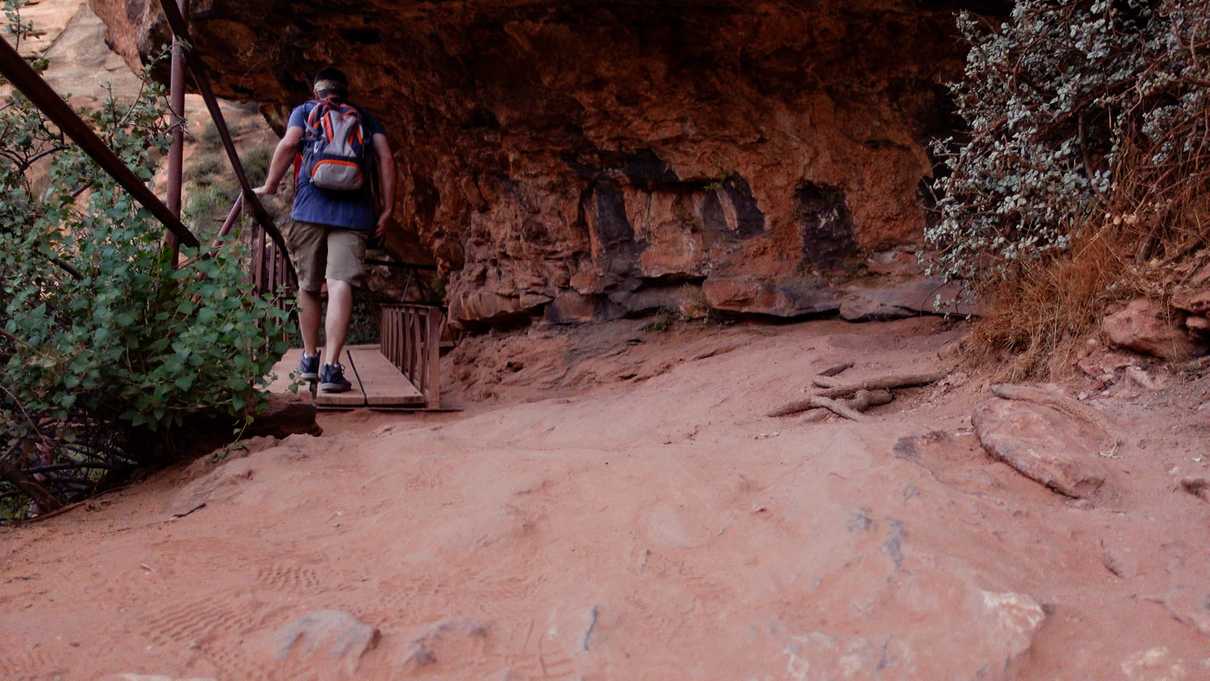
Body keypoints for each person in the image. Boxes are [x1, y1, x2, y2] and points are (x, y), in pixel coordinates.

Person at [256, 67, 395, 393]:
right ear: (344, 91)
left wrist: (270, 184)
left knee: (308, 285)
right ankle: (332, 368)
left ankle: (309, 360)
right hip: (355, 212)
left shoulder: (305, 111)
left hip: (309, 209)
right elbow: (386, 158)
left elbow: (291, 143)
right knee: (339, 283)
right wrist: (387, 207)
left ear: (316, 92)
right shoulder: (365, 117)